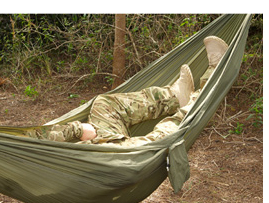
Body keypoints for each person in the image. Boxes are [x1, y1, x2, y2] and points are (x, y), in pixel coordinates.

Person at [29, 36, 228, 146]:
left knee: (104, 103)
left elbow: (33, 139)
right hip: (106, 160)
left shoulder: (15, 144)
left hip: (101, 143)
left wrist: (78, 130)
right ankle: (208, 85)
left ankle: (174, 98)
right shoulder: (19, 160)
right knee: (160, 140)